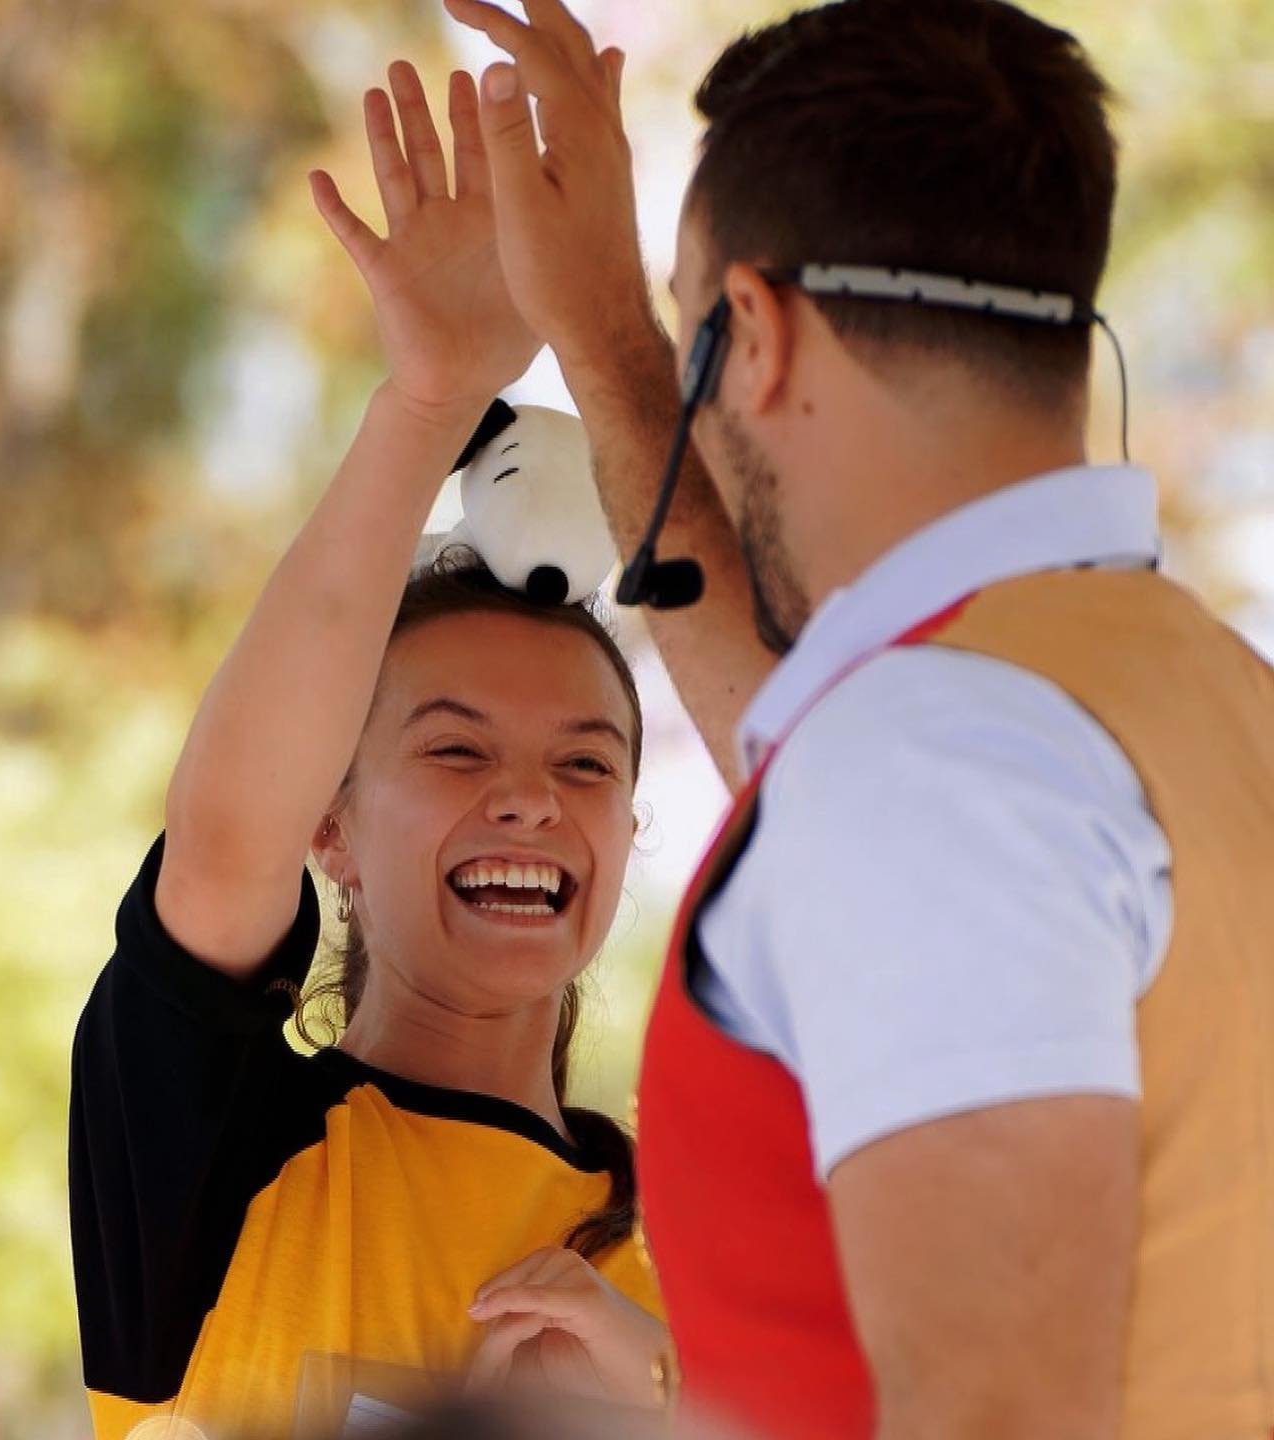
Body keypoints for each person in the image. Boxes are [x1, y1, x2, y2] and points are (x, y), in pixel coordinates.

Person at [442, 1, 1274, 1437]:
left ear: (754, 337)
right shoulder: (1191, 698)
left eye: (703, 353)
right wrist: (606, 332)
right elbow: (800, 731)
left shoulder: (934, 764)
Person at [68, 61, 666, 1440]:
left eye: (588, 765)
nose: (530, 798)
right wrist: (431, 398)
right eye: (454, 752)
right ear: (328, 826)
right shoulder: (221, 1152)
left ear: (631, 833)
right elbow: (223, 846)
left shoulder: (699, 1251)